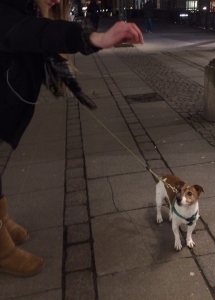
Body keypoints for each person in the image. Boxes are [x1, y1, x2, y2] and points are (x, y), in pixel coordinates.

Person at [0, 0, 143, 277]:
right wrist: (93, 37)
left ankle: (3, 219)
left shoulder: (31, 8)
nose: (55, 2)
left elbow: (39, 40)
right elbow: (28, 31)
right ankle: (2, 252)